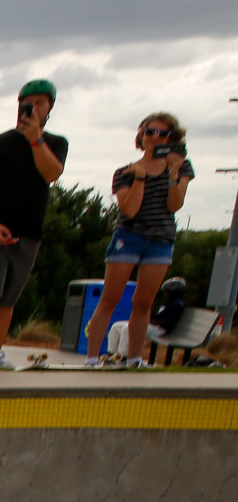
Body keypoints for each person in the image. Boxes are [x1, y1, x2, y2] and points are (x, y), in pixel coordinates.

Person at [0, 80, 67, 371]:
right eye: (28, 102)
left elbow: (51, 173)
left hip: (30, 232)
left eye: (40, 102)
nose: (33, 108)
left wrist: (36, 139)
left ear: (49, 107)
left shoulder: (56, 144)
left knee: (8, 299)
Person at [83, 113, 193, 369]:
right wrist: (140, 177)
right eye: (150, 132)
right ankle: (90, 359)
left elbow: (174, 205)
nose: (155, 138)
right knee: (110, 298)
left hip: (161, 238)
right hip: (129, 236)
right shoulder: (124, 172)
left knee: (143, 302)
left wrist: (173, 173)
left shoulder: (182, 168)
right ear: (141, 136)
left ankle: (134, 358)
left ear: (172, 139)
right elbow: (129, 210)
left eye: (163, 134)